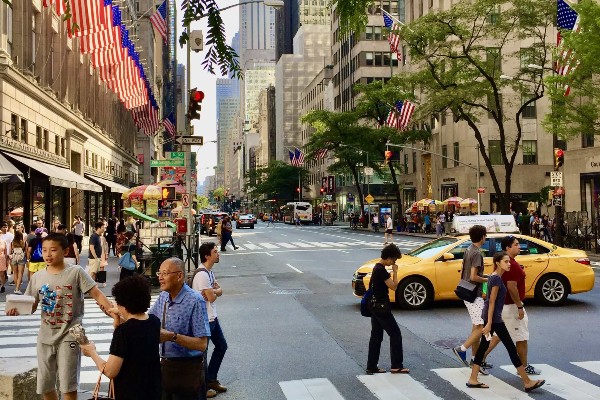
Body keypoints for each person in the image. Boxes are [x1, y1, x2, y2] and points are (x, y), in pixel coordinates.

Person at [6, 233, 114, 400]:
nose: (48, 254)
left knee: (68, 386)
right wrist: (16, 310)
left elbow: (97, 294)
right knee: (45, 385)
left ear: (65, 250)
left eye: (53, 250)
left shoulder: (76, 273)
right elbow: (31, 306)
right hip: (45, 337)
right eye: (45, 250)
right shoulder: (37, 277)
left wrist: (113, 312)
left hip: (69, 336)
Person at [466, 252, 545, 392]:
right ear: (498, 263)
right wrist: (489, 323)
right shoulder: (496, 279)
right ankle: (527, 382)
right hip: (494, 319)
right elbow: (491, 301)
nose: (509, 264)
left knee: (484, 347)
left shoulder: (494, 277)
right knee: (510, 348)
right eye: (506, 262)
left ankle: (473, 379)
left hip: (494, 318)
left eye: (509, 261)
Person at [80, 275, 161, 400]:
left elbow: (110, 371)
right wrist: (118, 321)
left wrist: (92, 352)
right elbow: (137, 334)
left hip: (129, 393)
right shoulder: (154, 322)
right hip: (152, 391)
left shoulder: (124, 332)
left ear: (124, 305)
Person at [148, 258, 211, 400]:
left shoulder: (194, 300)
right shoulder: (163, 296)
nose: (160, 277)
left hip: (188, 371)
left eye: (165, 273)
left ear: (179, 276)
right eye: (159, 273)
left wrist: (172, 337)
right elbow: (148, 321)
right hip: (166, 368)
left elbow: (202, 344)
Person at [482, 235, 541, 375]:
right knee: (521, 337)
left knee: (497, 336)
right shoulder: (512, 265)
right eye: (516, 244)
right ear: (508, 247)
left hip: (504, 306)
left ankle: (479, 360)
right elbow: (511, 287)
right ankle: (523, 367)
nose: (519, 247)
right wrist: (519, 306)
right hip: (511, 307)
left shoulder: (508, 262)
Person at [452, 225, 490, 375]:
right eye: (485, 236)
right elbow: (474, 276)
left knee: (476, 327)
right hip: (474, 294)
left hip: (467, 291)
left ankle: (476, 360)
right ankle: (462, 349)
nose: (485, 238)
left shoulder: (468, 249)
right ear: (482, 237)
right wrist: (487, 279)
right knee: (482, 327)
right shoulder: (477, 253)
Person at [366, 244, 409, 375]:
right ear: (389, 257)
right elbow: (394, 286)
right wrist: (395, 272)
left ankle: (371, 366)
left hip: (374, 306)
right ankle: (396, 365)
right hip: (381, 307)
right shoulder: (381, 270)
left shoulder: (377, 267)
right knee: (395, 334)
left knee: (376, 336)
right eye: (394, 260)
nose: (393, 263)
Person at [193, 243, 228, 399]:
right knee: (203, 354)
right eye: (215, 252)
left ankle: (211, 379)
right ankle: (203, 387)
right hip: (204, 319)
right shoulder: (202, 275)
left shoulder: (209, 272)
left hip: (212, 316)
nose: (218, 254)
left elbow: (218, 291)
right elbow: (214, 295)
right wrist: (215, 291)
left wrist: (214, 291)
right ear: (207, 256)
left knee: (221, 346)